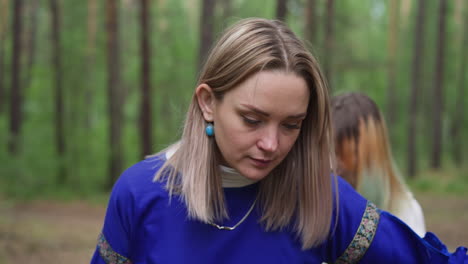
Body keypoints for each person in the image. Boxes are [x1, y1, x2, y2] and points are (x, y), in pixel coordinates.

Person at [91, 18, 467, 263]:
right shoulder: (140, 194)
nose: (271, 144)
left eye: (291, 125)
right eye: (252, 119)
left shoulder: (321, 198)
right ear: (208, 103)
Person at [331, 92, 426, 237]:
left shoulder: (405, 212)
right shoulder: (320, 208)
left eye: (341, 154)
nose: (332, 165)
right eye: (327, 151)